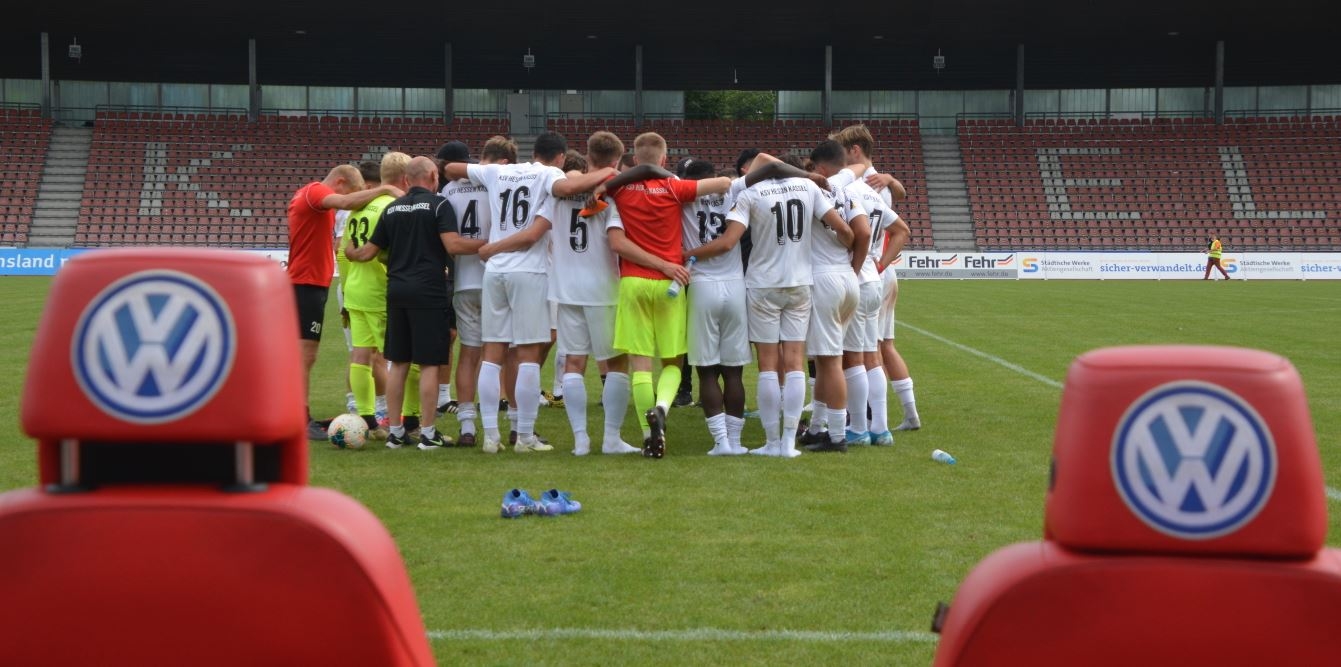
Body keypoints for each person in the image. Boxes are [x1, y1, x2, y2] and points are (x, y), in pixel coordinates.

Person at [445, 132, 614, 454]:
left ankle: (491, 436)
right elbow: (566, 192)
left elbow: (451, 168)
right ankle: (523, 435)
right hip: (529, 272)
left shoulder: (498, 171)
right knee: (527, 356)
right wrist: (608, 171)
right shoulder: (548, 176)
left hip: (494, 273)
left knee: (491, 354)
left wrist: (477, 171)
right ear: (560, 158)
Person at [689, 155, 852, 459]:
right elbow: (843, 229)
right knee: (794, 363)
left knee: (768, 365)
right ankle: (789, 444)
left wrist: (688, 254)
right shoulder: (808, 188)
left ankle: (771, 442)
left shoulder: (751, 193)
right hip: (800, 282)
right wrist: (849, 254)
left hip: (762, 284)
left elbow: (729, 241)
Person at [590, 132, 732, 458]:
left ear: (634, 160)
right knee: (673, 362)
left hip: (633, 282)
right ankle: (663, 407)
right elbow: (724, 183)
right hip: (670, 282)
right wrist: (671, 178)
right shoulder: (674, 186)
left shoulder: (619, 189)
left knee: (640, 365)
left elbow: (613, 232)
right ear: (665, 160)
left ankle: (648, 434)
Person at [346, 156, 483, 450]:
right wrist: (491, 243)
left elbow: (368, 253)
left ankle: (396, 433)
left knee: (399, 363)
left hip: (396, 290)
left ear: (407, 180)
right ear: (433, 176)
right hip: (428, 292)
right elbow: (454, 246)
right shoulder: (439, 205)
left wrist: (350, 252)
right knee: (430, 363)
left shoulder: (392, 208)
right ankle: (428, 433)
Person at [536, 132, 641, 456]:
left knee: (574, 362)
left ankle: (581, 440)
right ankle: (611, 439)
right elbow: (618, 242)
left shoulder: (559, 191)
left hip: (566, 288)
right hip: (603, 289)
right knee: (616, 362)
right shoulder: (613, 194)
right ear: (616, 160)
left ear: (588, 155)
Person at [287, 164, 402, 441]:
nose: (354, 198)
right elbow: (347, 203)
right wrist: (385, 189)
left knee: (307, 354)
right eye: (354, 191)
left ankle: (300, 415)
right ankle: (299, 418)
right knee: (305, 354)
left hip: (310, 282)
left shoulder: (310, 197)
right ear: (339, 183)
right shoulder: (315, 191)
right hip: (306, 282)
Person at [830, 123, 921, 433]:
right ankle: (895, 416)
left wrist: (877, 264)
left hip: (866, 268)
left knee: (861, 354)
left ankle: (862, 419)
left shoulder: (861, 183)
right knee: (880, 348)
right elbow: (901, 208)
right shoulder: (879, 181)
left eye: (842, 153)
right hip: (879, 270)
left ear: (854, 151)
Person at [676, 158, 751, 455]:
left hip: (702, 285)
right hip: (735, 285)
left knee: (706, 371)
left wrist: (686, 254)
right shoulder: (733, 191)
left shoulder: (682, 197)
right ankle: (736, 442)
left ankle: (721, 442)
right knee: (734, 373)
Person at [342, 153, 411, 441]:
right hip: (378, 290)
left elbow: (345, 250)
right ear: (405, 179)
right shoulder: (392, 207)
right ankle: (399, 420)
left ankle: (367, 419)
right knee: (394, 358)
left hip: (355, 289)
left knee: (360, 354)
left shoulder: (359, 207)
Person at [439, 138, 494, 447]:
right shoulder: (492, 184)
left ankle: (467, 426)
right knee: (494, 355)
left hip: (463, 280)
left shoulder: (447, 191)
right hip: (494, 278)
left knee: (468, 355)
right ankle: (494, 426)